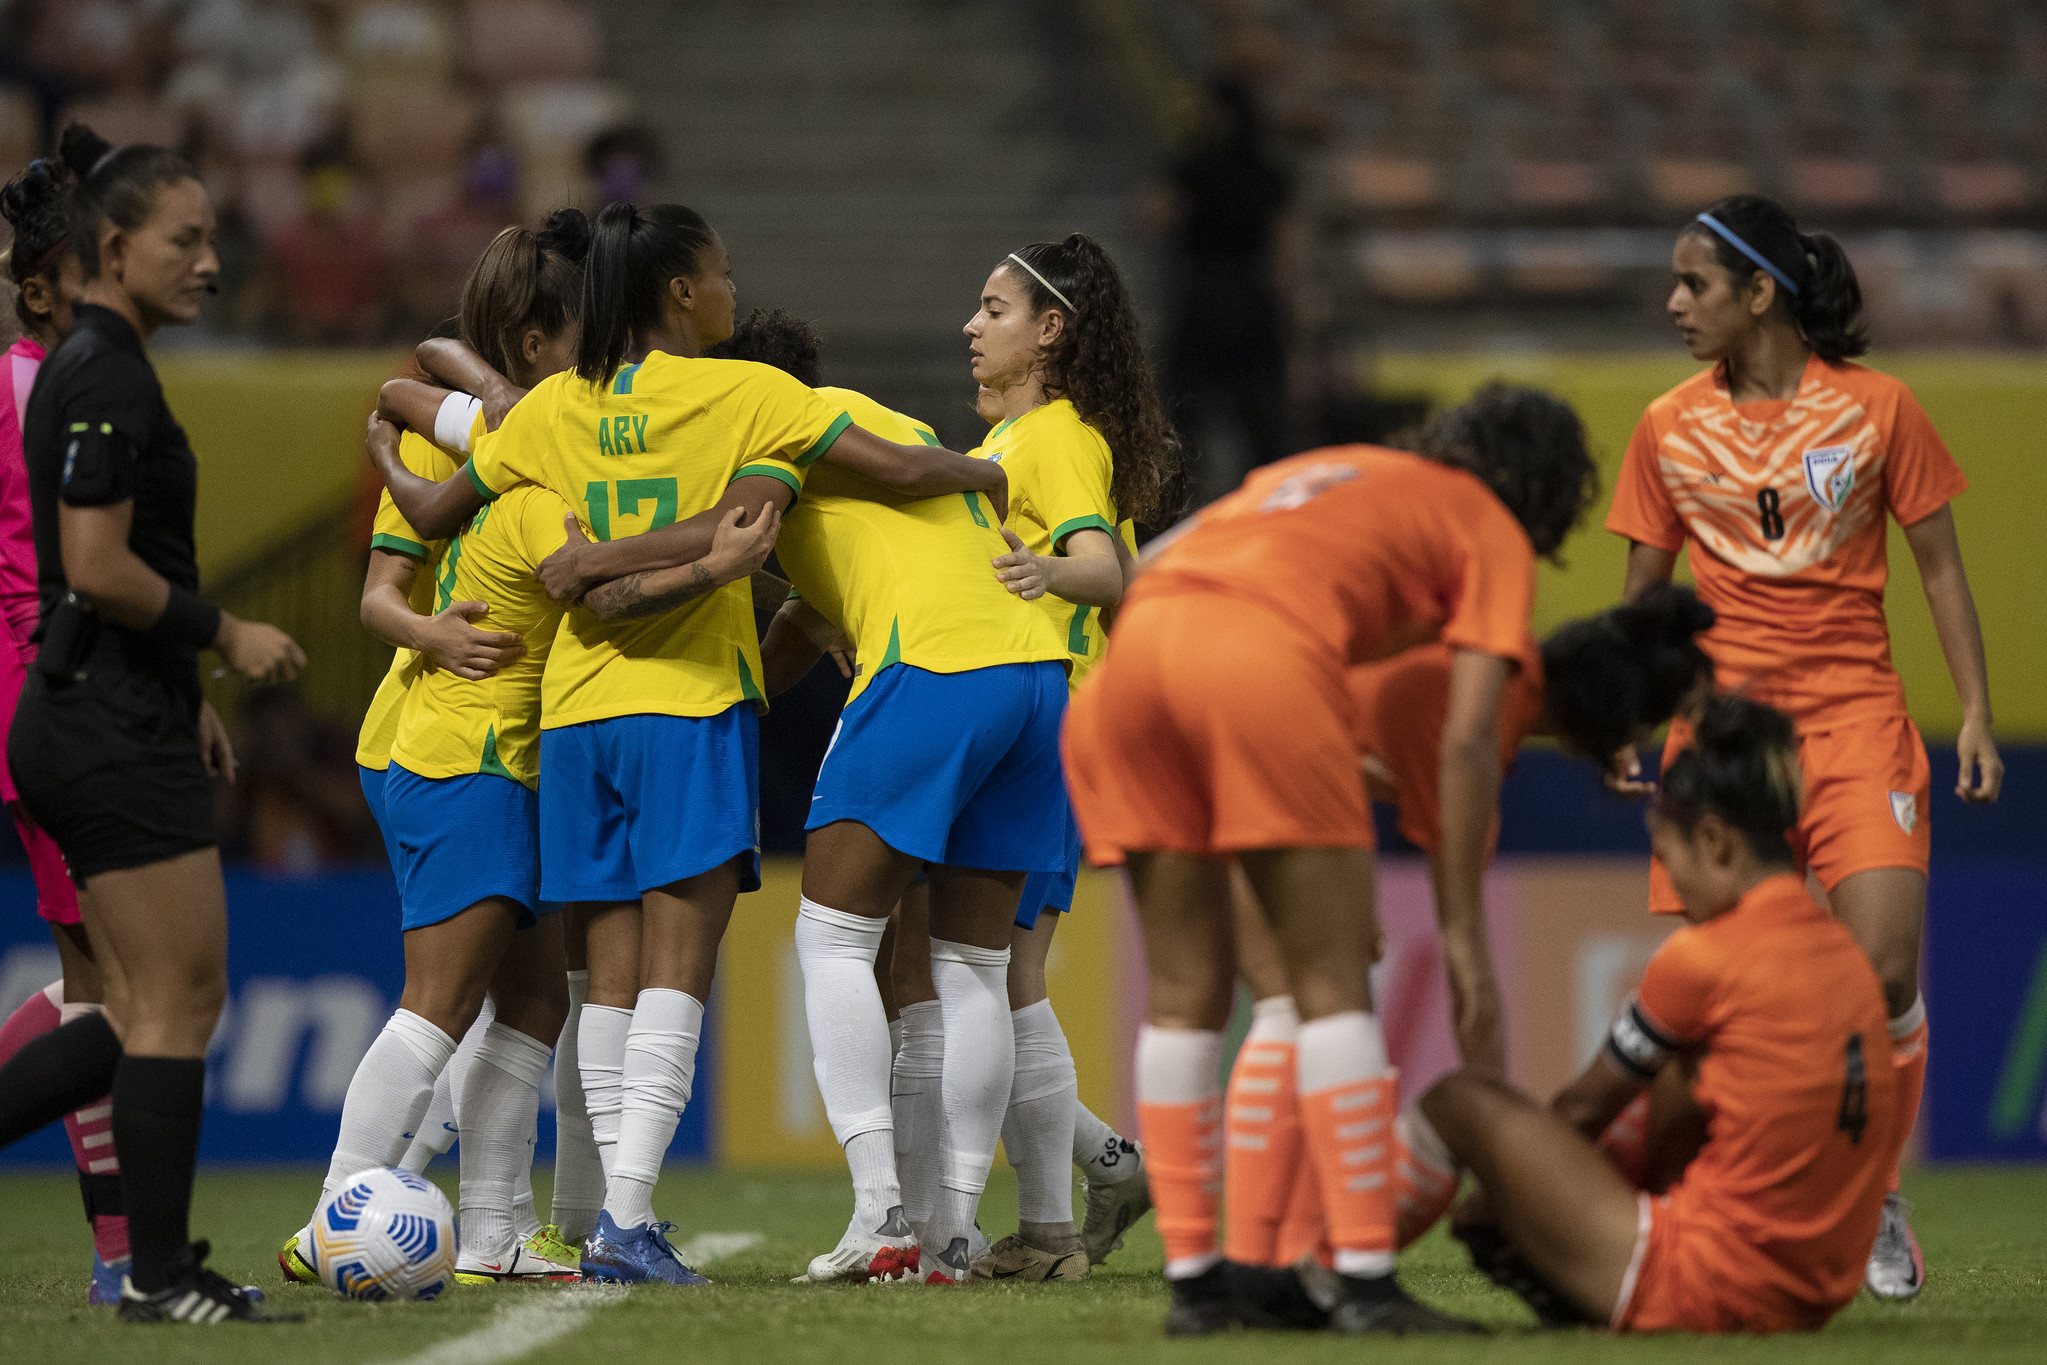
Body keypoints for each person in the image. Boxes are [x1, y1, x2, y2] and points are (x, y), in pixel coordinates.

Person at [372, 202, 1007, 1285]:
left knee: (601, 982)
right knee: (675, 970)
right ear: (676, 291)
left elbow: (432, 512)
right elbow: (897, 471)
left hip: (573, 714)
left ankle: (593, 1217)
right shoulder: (751, 394)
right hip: (688, 700)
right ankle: (624, 1218)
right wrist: (991, 475)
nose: (727, 289)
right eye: (719, 272)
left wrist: (386, 443)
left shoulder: (553, 411)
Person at [1062, 384, 1598, 1336]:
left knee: (1185, 996)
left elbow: (1160, 568)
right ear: (1544, 491)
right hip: (1257, 661)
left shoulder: (1314, 473)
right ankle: (1363, 1282)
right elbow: (1470, 740)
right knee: (1330, 985)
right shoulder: (1487, 526)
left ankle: (1197, 1286)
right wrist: (1466, 937)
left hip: (1127, 673)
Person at [554, 306, 1072, 1284]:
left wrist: (597, 566)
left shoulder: (779, 426)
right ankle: (945, 1232)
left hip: (931, 668)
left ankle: (881, 1213)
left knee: (832, 938)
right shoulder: (885, 427)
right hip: (1034, 673)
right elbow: (792, 634)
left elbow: (731, 527)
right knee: (967, 966)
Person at [1609, 194, 2002, 1299]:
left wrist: (1972, 709)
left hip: (1855, 723)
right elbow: (1642, 600)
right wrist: (1625, 722)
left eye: (1693, 284)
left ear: (1759, 293)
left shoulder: (1881, 411)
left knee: (1878, 974)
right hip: (1723, 742)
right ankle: (1741, 1206)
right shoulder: (1664, 425)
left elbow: (1937, 568)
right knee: (1736, 992)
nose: (1673, 304)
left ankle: (1873, 1197)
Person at [0, 124, 304, 1324]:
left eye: (214, 237)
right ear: (114, 248)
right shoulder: (104, 372)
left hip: (102, 707)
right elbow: (96, 563)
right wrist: (224, 634)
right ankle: (162, 1275)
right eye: (186, 240)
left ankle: (156, 1269)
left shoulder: (88, 361)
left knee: (135, 1009)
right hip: (98, 716)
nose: (211, 262)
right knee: (177, 1001)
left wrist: (186, 697)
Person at [280, 211, 613, 1288]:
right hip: (454, 743)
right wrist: (432, 632)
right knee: (443, 997)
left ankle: (498, 1232)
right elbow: (381, 594)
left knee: (533, 1000)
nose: (599, 354)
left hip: (504, 754)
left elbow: (423, 367)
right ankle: (331, 1217)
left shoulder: (524, 423)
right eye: (582, 333)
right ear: (531, 339)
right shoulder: (491, 431)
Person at [1222, 586, 1715, 1273]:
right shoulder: (1476, 740)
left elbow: (1351, 730)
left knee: (1298, 1006)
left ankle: (1266, 1241)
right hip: (1259, 761)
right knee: (1310, 1009)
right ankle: (1279, 1252)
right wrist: (1505, 1150)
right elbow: (1469, 976)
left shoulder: (1490, 650)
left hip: (1229, 722)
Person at [1409, 694, 1899, 1334]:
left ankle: (1341, 1278)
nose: (1675, 891)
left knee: (1462, 1100)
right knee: (1677, 1075)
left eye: (1671, 863)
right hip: (1808, 1297)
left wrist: (1501, 1194)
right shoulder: (1845, 955)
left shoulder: (1705, 956)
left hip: (1705, 1280)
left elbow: (1584, 1109)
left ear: (1717, 844)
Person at [911, 233, 1181, 1280]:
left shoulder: (1053, 439)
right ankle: (1065, 1217)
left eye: (993, 310)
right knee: (1003, 976)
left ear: (1050, 331)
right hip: (1042, 726)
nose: (970, 330)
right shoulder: (1031, 440)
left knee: (992, 974)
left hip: (1050, 729)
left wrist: (1032, 575)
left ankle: (1076, 1192)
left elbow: (1105, 572)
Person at [0, 152, 136, 1306]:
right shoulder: (40, 386)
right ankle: (125, 1257)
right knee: (128, 987)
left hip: (64, 699)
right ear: (39, 287)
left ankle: (124, 1257)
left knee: (100, 984)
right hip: (51, 702)